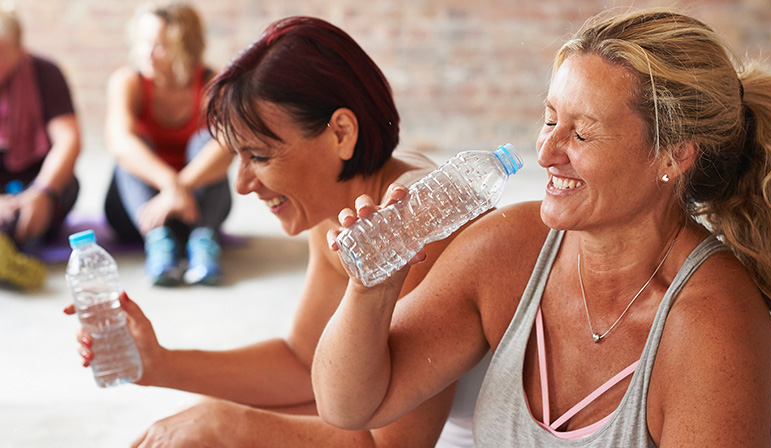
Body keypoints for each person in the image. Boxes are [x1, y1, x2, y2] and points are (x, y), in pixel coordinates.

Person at [313, 8, 771, 447]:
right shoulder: (510, 247)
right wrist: (370, 292)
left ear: (673, 155)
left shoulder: (712, 324)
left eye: (581, 132)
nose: (547, 152)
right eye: (549, 118)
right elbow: (353, 405)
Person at [66, 16, 489, 448]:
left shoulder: (415, 218)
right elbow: (303, 362)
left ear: (341, 133)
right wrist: (159, 365)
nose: (242, 183)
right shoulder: (337, 202)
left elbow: (391, 444)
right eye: (239, 157)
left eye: (259, 155)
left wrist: (225, 427)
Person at [103, 2, 233, 286]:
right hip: (141, 212)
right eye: (143, 43)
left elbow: (227, 148)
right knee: (133, 149)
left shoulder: (213, 82)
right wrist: (170, 185)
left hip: (196, 209)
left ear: (185, 47)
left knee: (206, 141)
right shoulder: (128, 81)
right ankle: (159, 245)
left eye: (160, 46)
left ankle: (203, 245)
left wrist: (181, 187)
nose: (147, 54)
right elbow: (119, 142)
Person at [0, 6, 81, 290]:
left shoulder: (46, 73)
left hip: (33, 183)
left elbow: (68, 140)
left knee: (67, 185)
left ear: (19, 49)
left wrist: (41, 192)